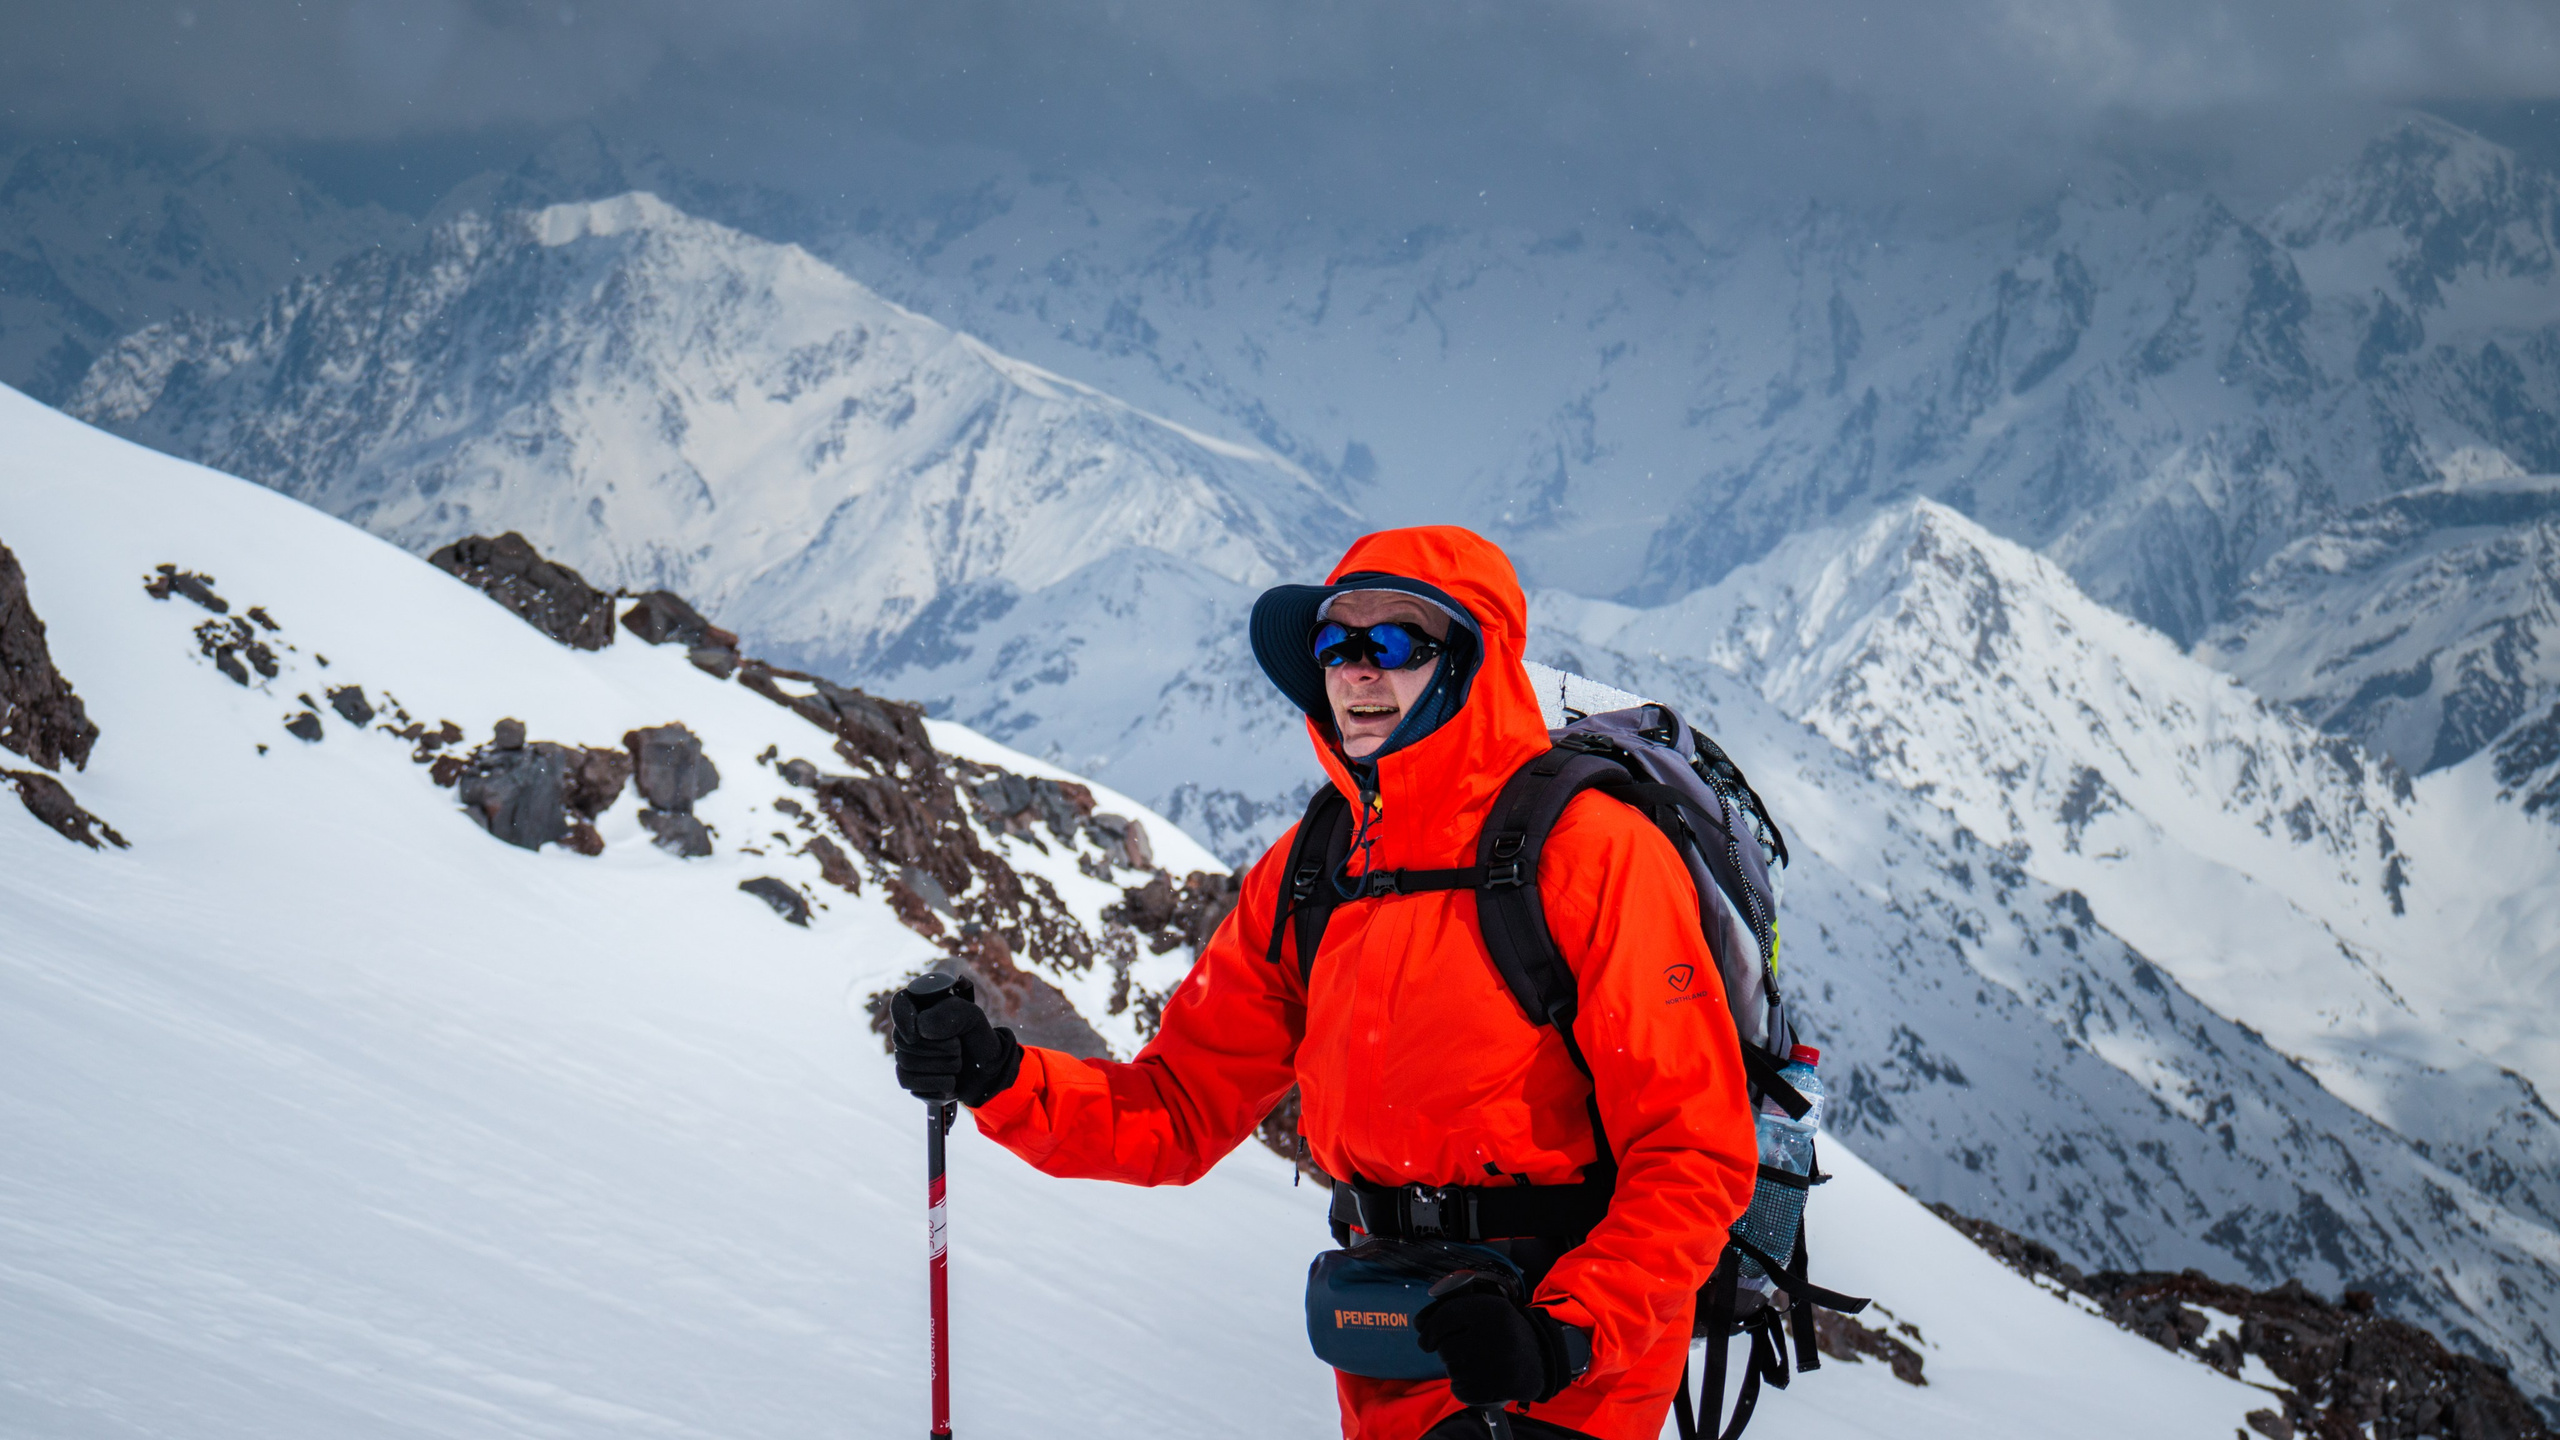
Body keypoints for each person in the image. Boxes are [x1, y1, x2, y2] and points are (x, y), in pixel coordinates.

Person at [892, 525, 1759, 1440]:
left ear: (1471, 663)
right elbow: (1179, 1111)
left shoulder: (1588, 852)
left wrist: (1564, 1332)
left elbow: (1695, 1150)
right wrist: (999, 1076)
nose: (1357, 670)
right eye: (1337, 643)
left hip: (1565, 1363)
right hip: (1389, 1337)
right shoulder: (1315, 869)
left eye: (1394, 642)